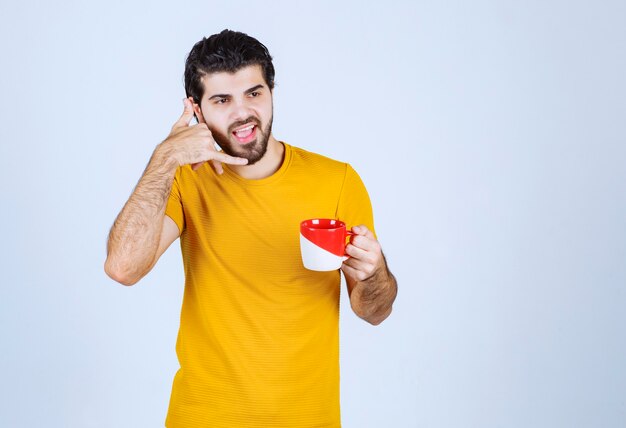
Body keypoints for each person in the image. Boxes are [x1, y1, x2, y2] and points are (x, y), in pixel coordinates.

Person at [104, 29, 398, 428]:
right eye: (222, 100)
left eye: (254, 93)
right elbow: (123, 267)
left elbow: (374, 311)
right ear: (196, 109)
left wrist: (374, 273)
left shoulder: (337, 181)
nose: (243, 112)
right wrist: (165, 157)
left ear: (272, 91)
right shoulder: (186, 180)